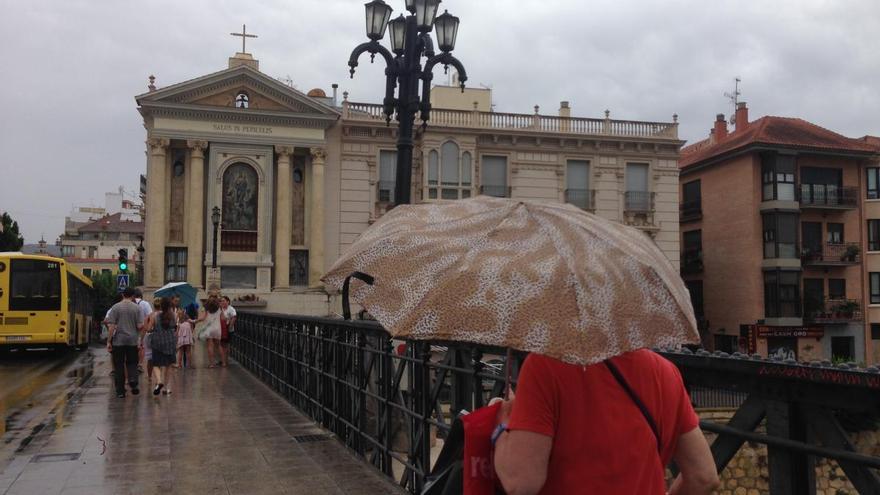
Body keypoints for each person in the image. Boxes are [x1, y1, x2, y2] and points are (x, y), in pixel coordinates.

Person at [493, 350, 719, 495]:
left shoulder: (544, 366)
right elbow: (703, 477)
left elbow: (520, 482)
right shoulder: (665, 371)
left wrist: (501, 427)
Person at [105, 287, 145, 398]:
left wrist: (108, 341)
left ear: (123, 295)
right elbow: (140, 326)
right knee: (132, 362)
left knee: (119, 365)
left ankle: (120, 391)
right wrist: (140, 339)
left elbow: (111, 326)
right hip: (132, 340)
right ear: (133, 296)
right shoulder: (137, 308)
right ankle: (133, 380)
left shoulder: (115, 307)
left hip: (118, 341)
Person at [149, 298, 177, 395]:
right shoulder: (173, 315)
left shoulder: (155, 316)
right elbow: (175, 327)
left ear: (161, 306)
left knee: (156, 364)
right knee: (168, 365)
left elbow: (149, 329)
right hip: (170, 342)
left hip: (158, 343)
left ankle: (159, 381)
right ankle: (166, 388)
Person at [192, 297, 222, 368]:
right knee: (219, 346)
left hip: (209, 329)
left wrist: (195, 321)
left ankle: (212, 364)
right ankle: (223, 362)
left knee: (210, 346)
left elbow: (203, 318)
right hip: (217, 328)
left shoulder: (207, 309)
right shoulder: (219, 308)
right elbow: (223, 317)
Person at [133, 288, 153, 371]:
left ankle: (133, 363)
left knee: (133, 346)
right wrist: (148, 328)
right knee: (141, 346)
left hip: (132, 328)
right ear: (141, 295)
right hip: (143, 329)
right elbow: (151, 316)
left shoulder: (131, 303)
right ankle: (140, 364)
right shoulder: (145, 304)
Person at [218, 296, 237, 367]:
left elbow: (234, 317)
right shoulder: (221, 309)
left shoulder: (231, 309)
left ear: (228, 301)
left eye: (223, 301)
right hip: (222, 329)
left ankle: (225, 360)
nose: (222, 302)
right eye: (221, 301)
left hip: (228, 329)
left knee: (225, 345)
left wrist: (230, 327)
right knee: (223, 345)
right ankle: (224, 360)